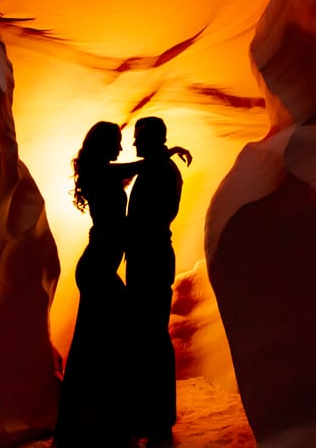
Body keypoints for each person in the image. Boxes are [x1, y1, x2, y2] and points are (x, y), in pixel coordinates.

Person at [54, 121, 189, 447]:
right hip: (99, 268)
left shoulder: (113, 171)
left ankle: (108, 422)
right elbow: (135, 169)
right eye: (116, 142)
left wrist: (163, 155)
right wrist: (164, 152)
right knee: (105, 341)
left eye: (132, 139)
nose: (124, 145)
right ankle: (103, 423)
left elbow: (146, 212)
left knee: (106, 341)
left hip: (112, 266)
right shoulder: (103, 172)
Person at [124, 116, 184, 443]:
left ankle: (156, 418)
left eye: (138, 138)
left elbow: (147, 219)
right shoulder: (160, 167)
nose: (134, 144)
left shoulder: (159, 171)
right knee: (150, 336)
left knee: (151, 336)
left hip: (151, 259)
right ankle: (154, 415)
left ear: (151, 139)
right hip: (151, 257)